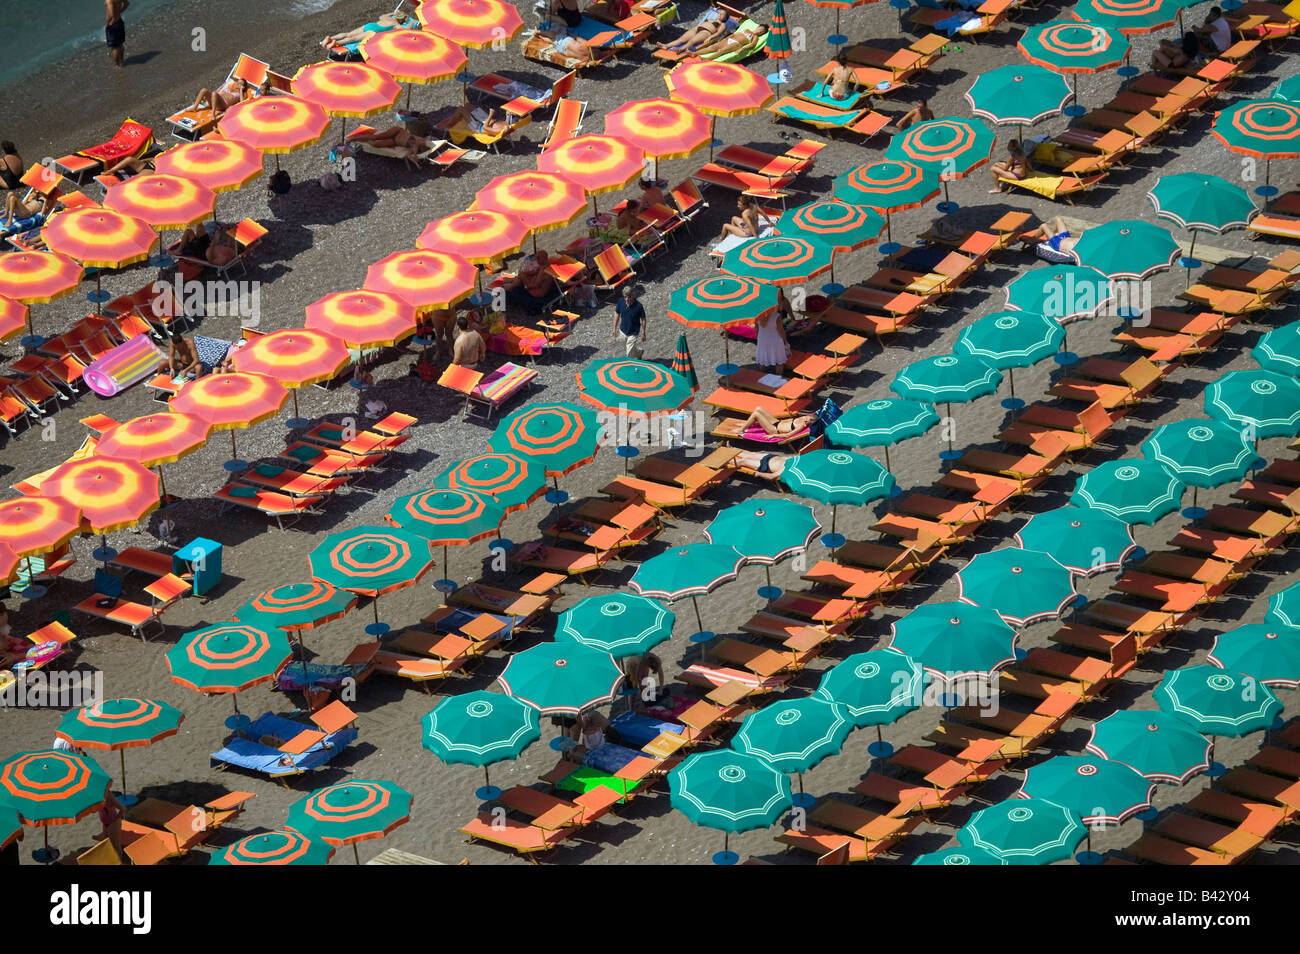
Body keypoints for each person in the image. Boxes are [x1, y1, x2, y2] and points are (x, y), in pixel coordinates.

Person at [656, 7, 737, 52]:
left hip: (706, 32)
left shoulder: (723, 24)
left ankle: (680, 49)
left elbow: (718, 33)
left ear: (726, 18)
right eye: (719, 13)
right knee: (681, 39)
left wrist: (710, 37)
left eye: (722, 14)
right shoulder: (712, 19)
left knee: (691, 41)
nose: (719, 15)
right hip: (697, 28)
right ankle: (666, 46)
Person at [320, 12, 414, 48]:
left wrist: (392, 13)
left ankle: (330, 38)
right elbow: (407, 29)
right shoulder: (396, 25)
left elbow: (380, 16)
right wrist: (412, 23)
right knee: (353, 39)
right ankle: (336, 43)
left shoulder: (386, 18)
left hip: (370, 25)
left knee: (348, 34)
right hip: (373, 32)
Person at [188, 78, 257, 119]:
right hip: (215, 101)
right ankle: (195, 107)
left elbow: (242, 102)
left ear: (243, 87)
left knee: (214, 93)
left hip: (223, 105)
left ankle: (213, 114)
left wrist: (241, 90)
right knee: (204, 90)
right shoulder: (230, 87)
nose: (237, 85)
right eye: (237, 83)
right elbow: (221, 92)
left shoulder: (243, 94)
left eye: (240, 84)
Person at [612, 284, 646, 357]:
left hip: (633, 333)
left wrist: (643, 333)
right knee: (629, 348)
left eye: (629, 296)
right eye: (625, 297)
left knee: (629, 353)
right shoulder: (621, 302)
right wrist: (614, 328)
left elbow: (643, 319)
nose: (627, 299)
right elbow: (617, 313)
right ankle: (639, 352)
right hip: (623, 331)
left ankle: (631, 365)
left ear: (633, 295)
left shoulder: (639, 306)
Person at [740, 406, 818, 437]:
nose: (804, 419)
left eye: (806, 421)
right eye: (806, 417)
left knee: (756, 414)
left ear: (808, 424)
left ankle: (741, 430)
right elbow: (789, 420)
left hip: (774, 430)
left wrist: (773, 435)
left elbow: (787, 435)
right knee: (758, 409)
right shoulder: (804, 417)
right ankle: (746, 424)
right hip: (777, 422)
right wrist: (779, 421)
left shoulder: (801, 426)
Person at [755, 308, 790, 373]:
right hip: (775, 339)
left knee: (764, 358)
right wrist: (785, 341)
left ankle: (763, 373)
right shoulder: (776, 315)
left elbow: (756, 329)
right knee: (779, 361)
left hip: (762, 338)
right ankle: (779, 376)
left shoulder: (757, 315)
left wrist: (759, 339)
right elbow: (781, 331)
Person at [106, 0, 129, 68]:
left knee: (114, 47)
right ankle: (121, 61)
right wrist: (119, 12)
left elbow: (111, 14)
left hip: (113, 24)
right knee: (120, 43)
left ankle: (117, 65)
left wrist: (107, 24)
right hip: (119, 21)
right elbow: (126, 4)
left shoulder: (109, 0)